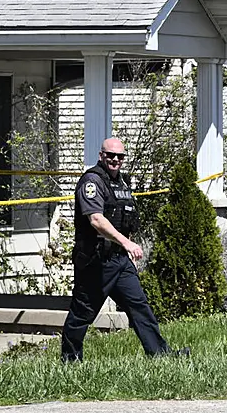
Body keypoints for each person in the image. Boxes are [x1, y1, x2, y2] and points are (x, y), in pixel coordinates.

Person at [61, 137, 189, 362]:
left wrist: (127, 248)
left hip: (119, 260)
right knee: (82, 313)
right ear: (101, 156)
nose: (115, 160)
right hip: (95, 261)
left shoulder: (122, 184)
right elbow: (96, 220)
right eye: (110, 155)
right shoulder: (92, 181)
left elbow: (123, 221)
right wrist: (127, 243)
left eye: (120, 156)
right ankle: (70, 361)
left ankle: (160, 355)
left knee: (139, 306)